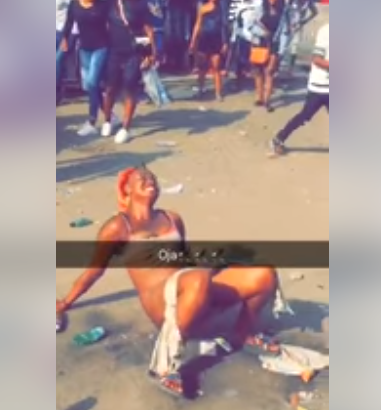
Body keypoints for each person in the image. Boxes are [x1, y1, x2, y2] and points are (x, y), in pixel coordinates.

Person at [56, 166, 281, 396]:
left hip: (191, 289)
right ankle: (164, 368)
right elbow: (94, 271)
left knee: (262, 273)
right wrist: (65, 303)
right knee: (198, 279)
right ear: (127, 189)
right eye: (141, 178)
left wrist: (217, 262)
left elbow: (184, 260)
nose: (149, 180)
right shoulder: (118, 227)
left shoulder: (172, 218)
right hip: (161, 302)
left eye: (152, 177)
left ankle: (242, 333)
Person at [101, 0, 158, 144]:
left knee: (130, 88)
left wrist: (152, 53)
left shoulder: (140, 5)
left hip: (134, 53)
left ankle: (125, 128)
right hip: (113, 52)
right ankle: (107, 120)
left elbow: (148, 29)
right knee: (110, 89)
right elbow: (102, 24)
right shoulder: (109, 3)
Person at [269, 22, 329, 156]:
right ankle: (278, 139)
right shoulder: (326, 32)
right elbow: (317, 59)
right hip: (319, 86)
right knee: (304, 116)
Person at [60, 0, 112, 137]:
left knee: (92, 82)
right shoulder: (74, 4)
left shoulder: (104, 4)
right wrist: (64, 38)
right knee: (90, 86)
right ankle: (110, 115)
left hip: (101, 47)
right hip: (84, 48)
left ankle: (91, 122)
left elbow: (113, 23)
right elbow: (69, 21)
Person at [251, 0, 287, 112]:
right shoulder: (260, 9)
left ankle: (267, 101)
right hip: (259, 43)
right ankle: (259, 97)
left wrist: (281, 50)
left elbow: (285, 32)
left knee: (269, 72)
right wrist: (262, 33)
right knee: (258, 72)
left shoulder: (283, 12)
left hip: (274, 44)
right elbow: (251, 26)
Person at [189, 0, 229, 101]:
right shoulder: (203, 8)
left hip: (216, 40)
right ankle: (201, 89)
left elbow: (224, 26)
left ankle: (218, 93)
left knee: (216, 66)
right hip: (204, 39)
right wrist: (193, 40)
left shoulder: (221, 8)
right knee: (202, 66)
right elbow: (198, 24)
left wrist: (225, 42)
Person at [56, 0, 78, 105]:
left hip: (69, 32)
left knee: (57, 61)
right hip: (56, 29)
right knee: (58, 64)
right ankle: (59, 92)